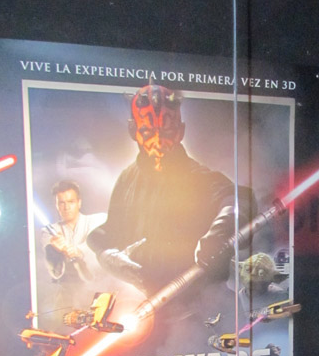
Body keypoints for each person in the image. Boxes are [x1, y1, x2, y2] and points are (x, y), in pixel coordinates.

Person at [88, 85, 255, 309]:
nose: (158, 142)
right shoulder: (127, 179)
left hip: (198, 307)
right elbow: (109, 231)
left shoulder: (197, 177)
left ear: (180, 131)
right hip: (144, 307)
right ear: (132, 129)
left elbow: (238, 200)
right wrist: (106, 254)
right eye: (148, 132)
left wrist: (220, 232)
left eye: (167, 133)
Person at [40, 180, 107, 314]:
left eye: (71, 202)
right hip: (68, 298)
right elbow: (53, 268)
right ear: (57, 205)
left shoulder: (99, 220)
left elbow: (101, 246)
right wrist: (56, 250)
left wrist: (79, 251)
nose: (66, 207)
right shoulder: (49, 231)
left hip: (100, 291)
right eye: (62, 203)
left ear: (79, 203)